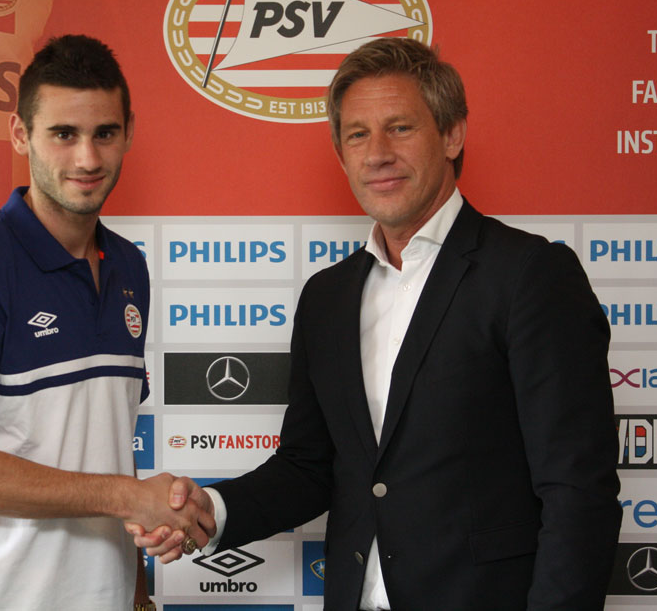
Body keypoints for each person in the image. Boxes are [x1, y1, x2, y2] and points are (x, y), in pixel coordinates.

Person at [133, 37, 621, 610]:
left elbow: (577, 492)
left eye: (400, 128)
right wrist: (211, 511)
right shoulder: (327, 297)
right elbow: (310, 467)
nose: (377, 154)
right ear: (341, 153)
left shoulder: (529, 275)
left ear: (452, 135)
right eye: (357, 135)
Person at [0, 35, 213, 611]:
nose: (87, 159)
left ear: (129, 132)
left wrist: (137, 591)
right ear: (21, 134)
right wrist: (126, 496)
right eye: (64, 134)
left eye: (104, 133)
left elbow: (109, 441)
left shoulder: (129, 268)